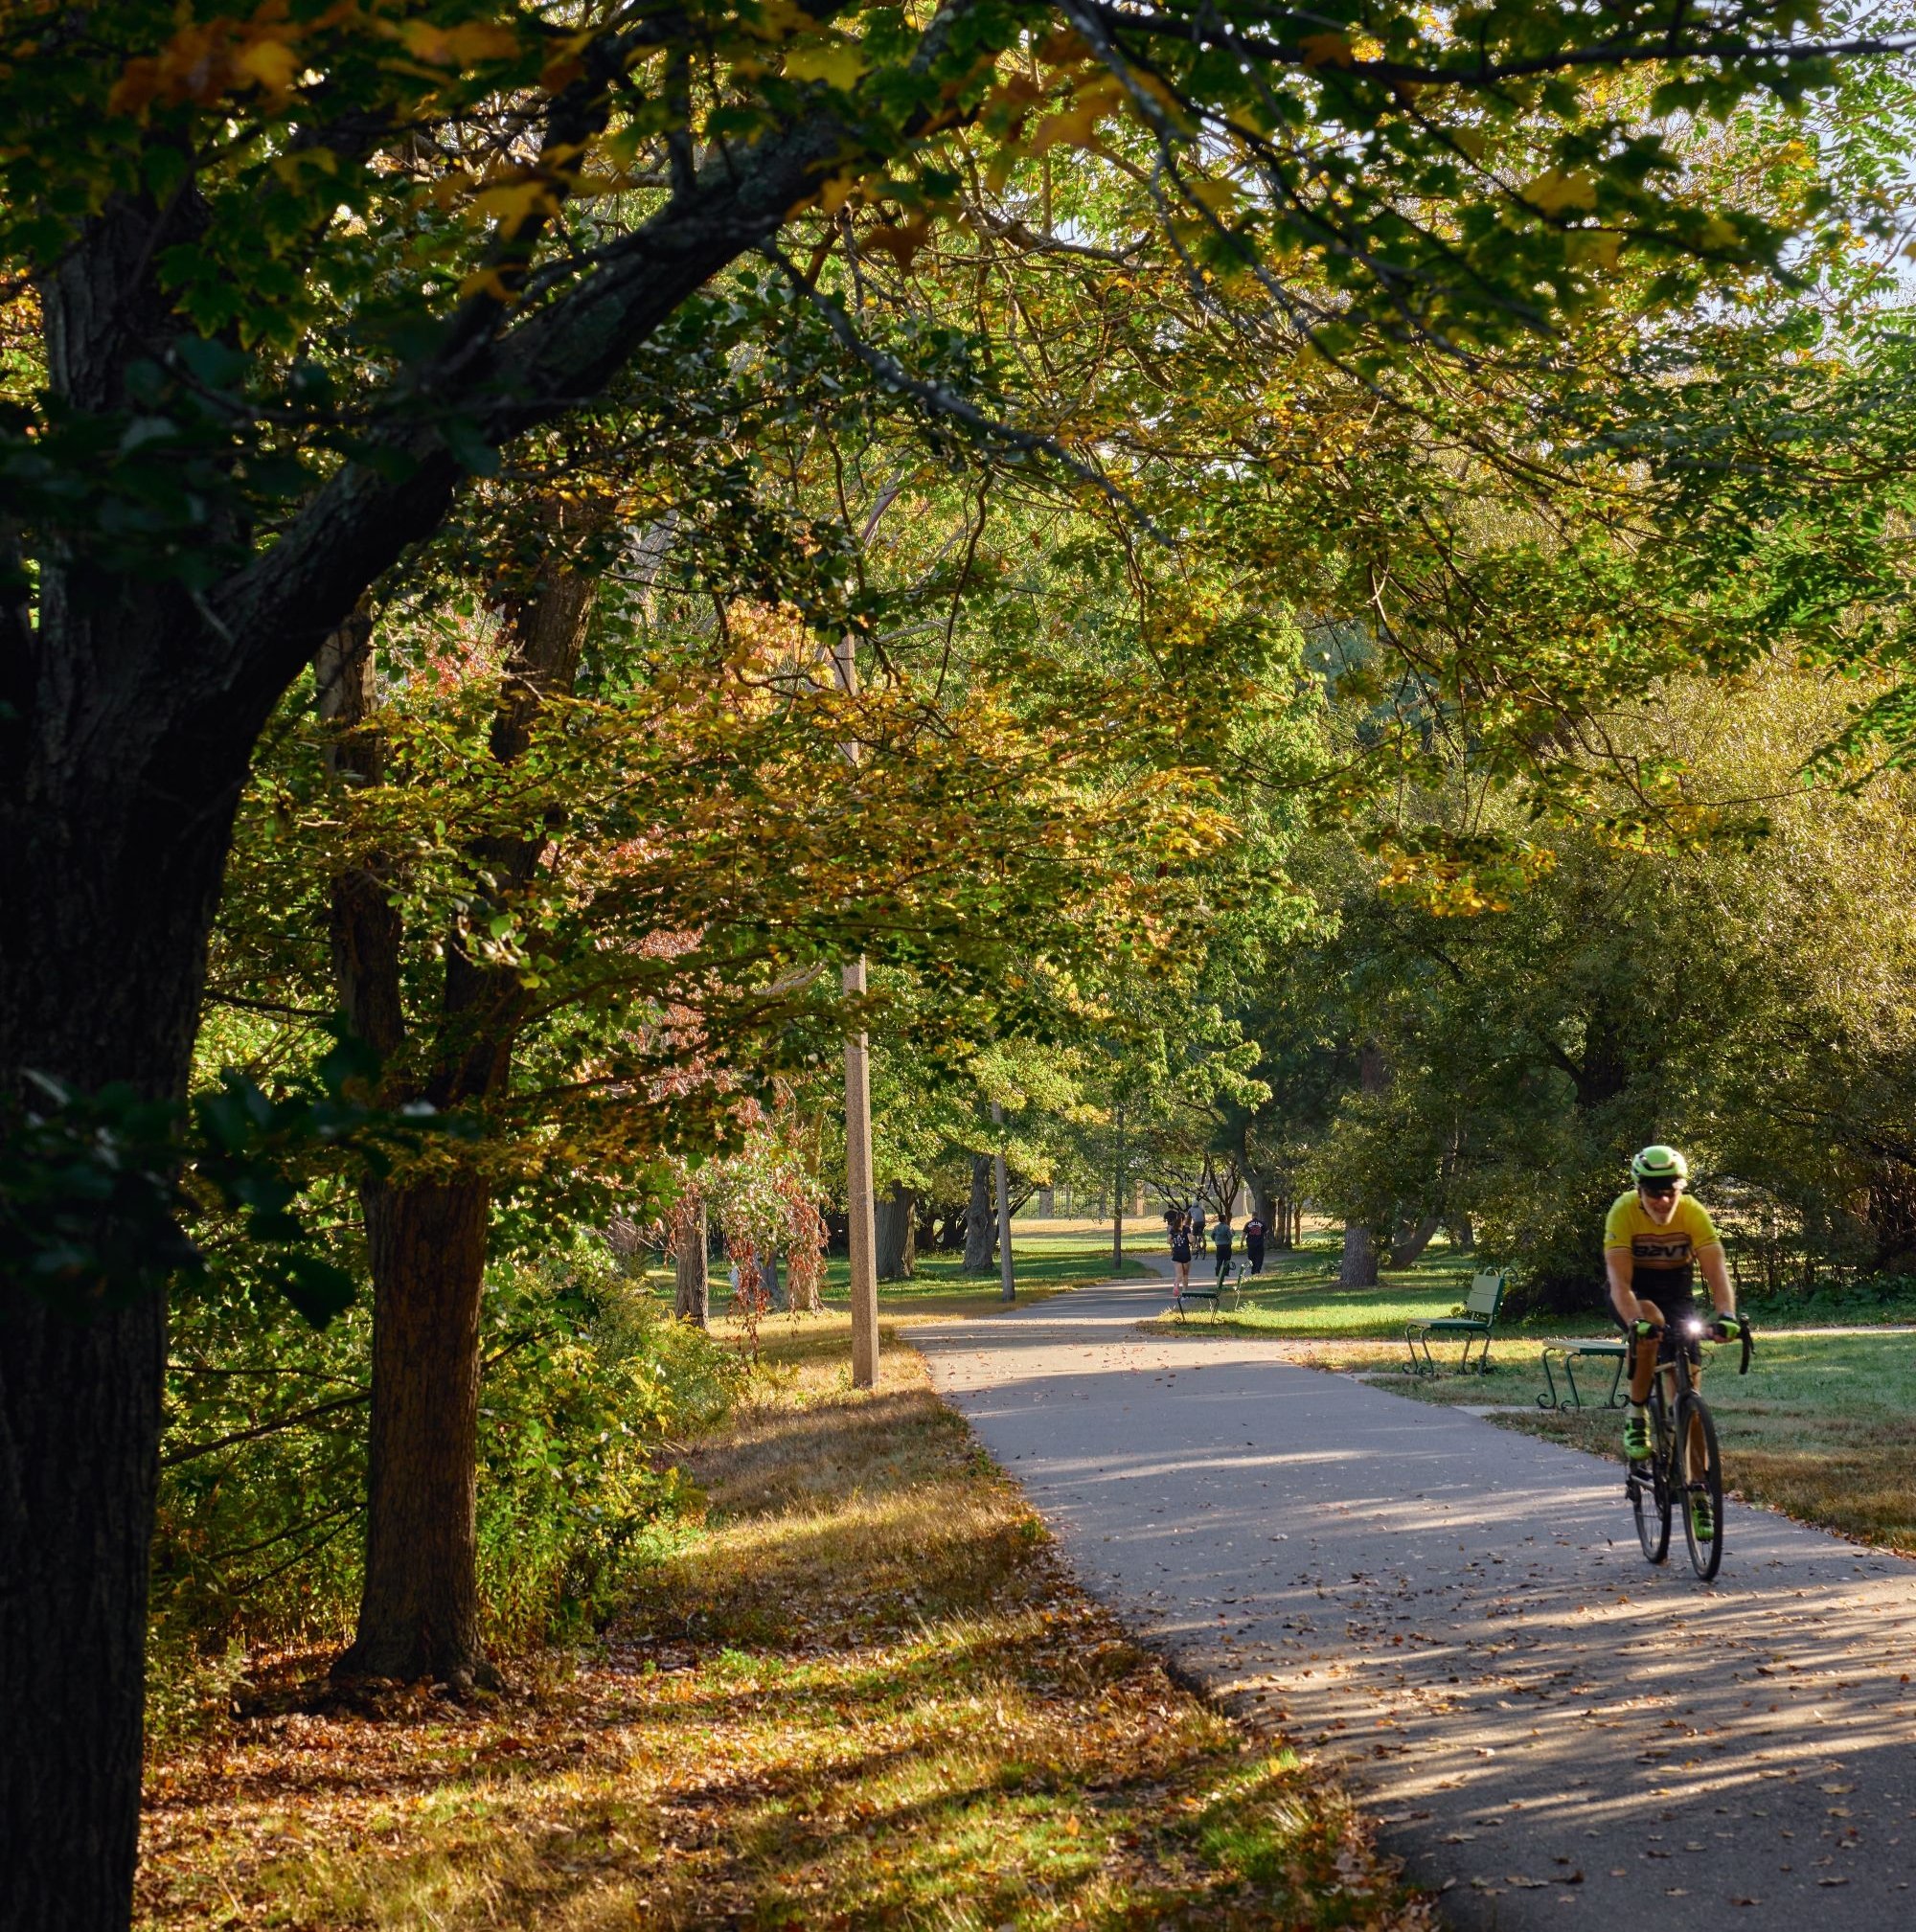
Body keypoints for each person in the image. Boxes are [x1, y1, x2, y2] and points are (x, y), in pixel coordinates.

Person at [1605, 1145, 1743, 1544]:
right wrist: (1635, 1322)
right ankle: (1636, 1416)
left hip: (1678, 1295)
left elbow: (1716, 1272)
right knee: (1651, 1322)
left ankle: (1699, 1494)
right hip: (1634, 1295)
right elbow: (1619, 1284)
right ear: (1639, 1190)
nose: (1662, 1199)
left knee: (1690, 1403)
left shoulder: (1692, 1213)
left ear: (1680, 1188)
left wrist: (1727, 1316)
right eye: (1653, 1191)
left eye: (1670, 1190)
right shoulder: (1623, 1212)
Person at [1169, 1214, 1193, 1301]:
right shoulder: (1186, 1229)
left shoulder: (1173, 1229)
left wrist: (1175, 1240)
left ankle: (1176, 1285)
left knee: (1179, 1275)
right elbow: (1190, 1240)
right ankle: (1184, 1294)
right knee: (1185, 1275)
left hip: (1176, 1254)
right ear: (1184, 1219)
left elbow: (1168, 1240)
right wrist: (1192, 1238)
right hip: (1185, 1254)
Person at [1243, 1209, 1267, 1275]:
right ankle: (1257, 1270)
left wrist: (1241, 1242)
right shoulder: (1262, 1223)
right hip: (1259, 1243)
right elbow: (1266, 1232)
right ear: (1257, 1215)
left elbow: (1244, 1233)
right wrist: (1264, 1237)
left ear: (1252, 1216)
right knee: (1259, 1257)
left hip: (1251, 1244)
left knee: (1251, 1257)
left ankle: (1253, 1270)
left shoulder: (1248, 1224)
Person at [1212, 1213, 1234, 1280]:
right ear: (1225, 1220)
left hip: (1219, 1245)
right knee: (1227, 1259)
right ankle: (1226, 1272)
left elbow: (1212, 1235)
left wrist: (1215, 1240)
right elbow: (1230, 1236)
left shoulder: (1216, 1227)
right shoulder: (1227, 1227)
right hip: (1227, 1245)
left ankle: (1217, 1272)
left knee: (1219, 1259)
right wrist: (1233, 1233)